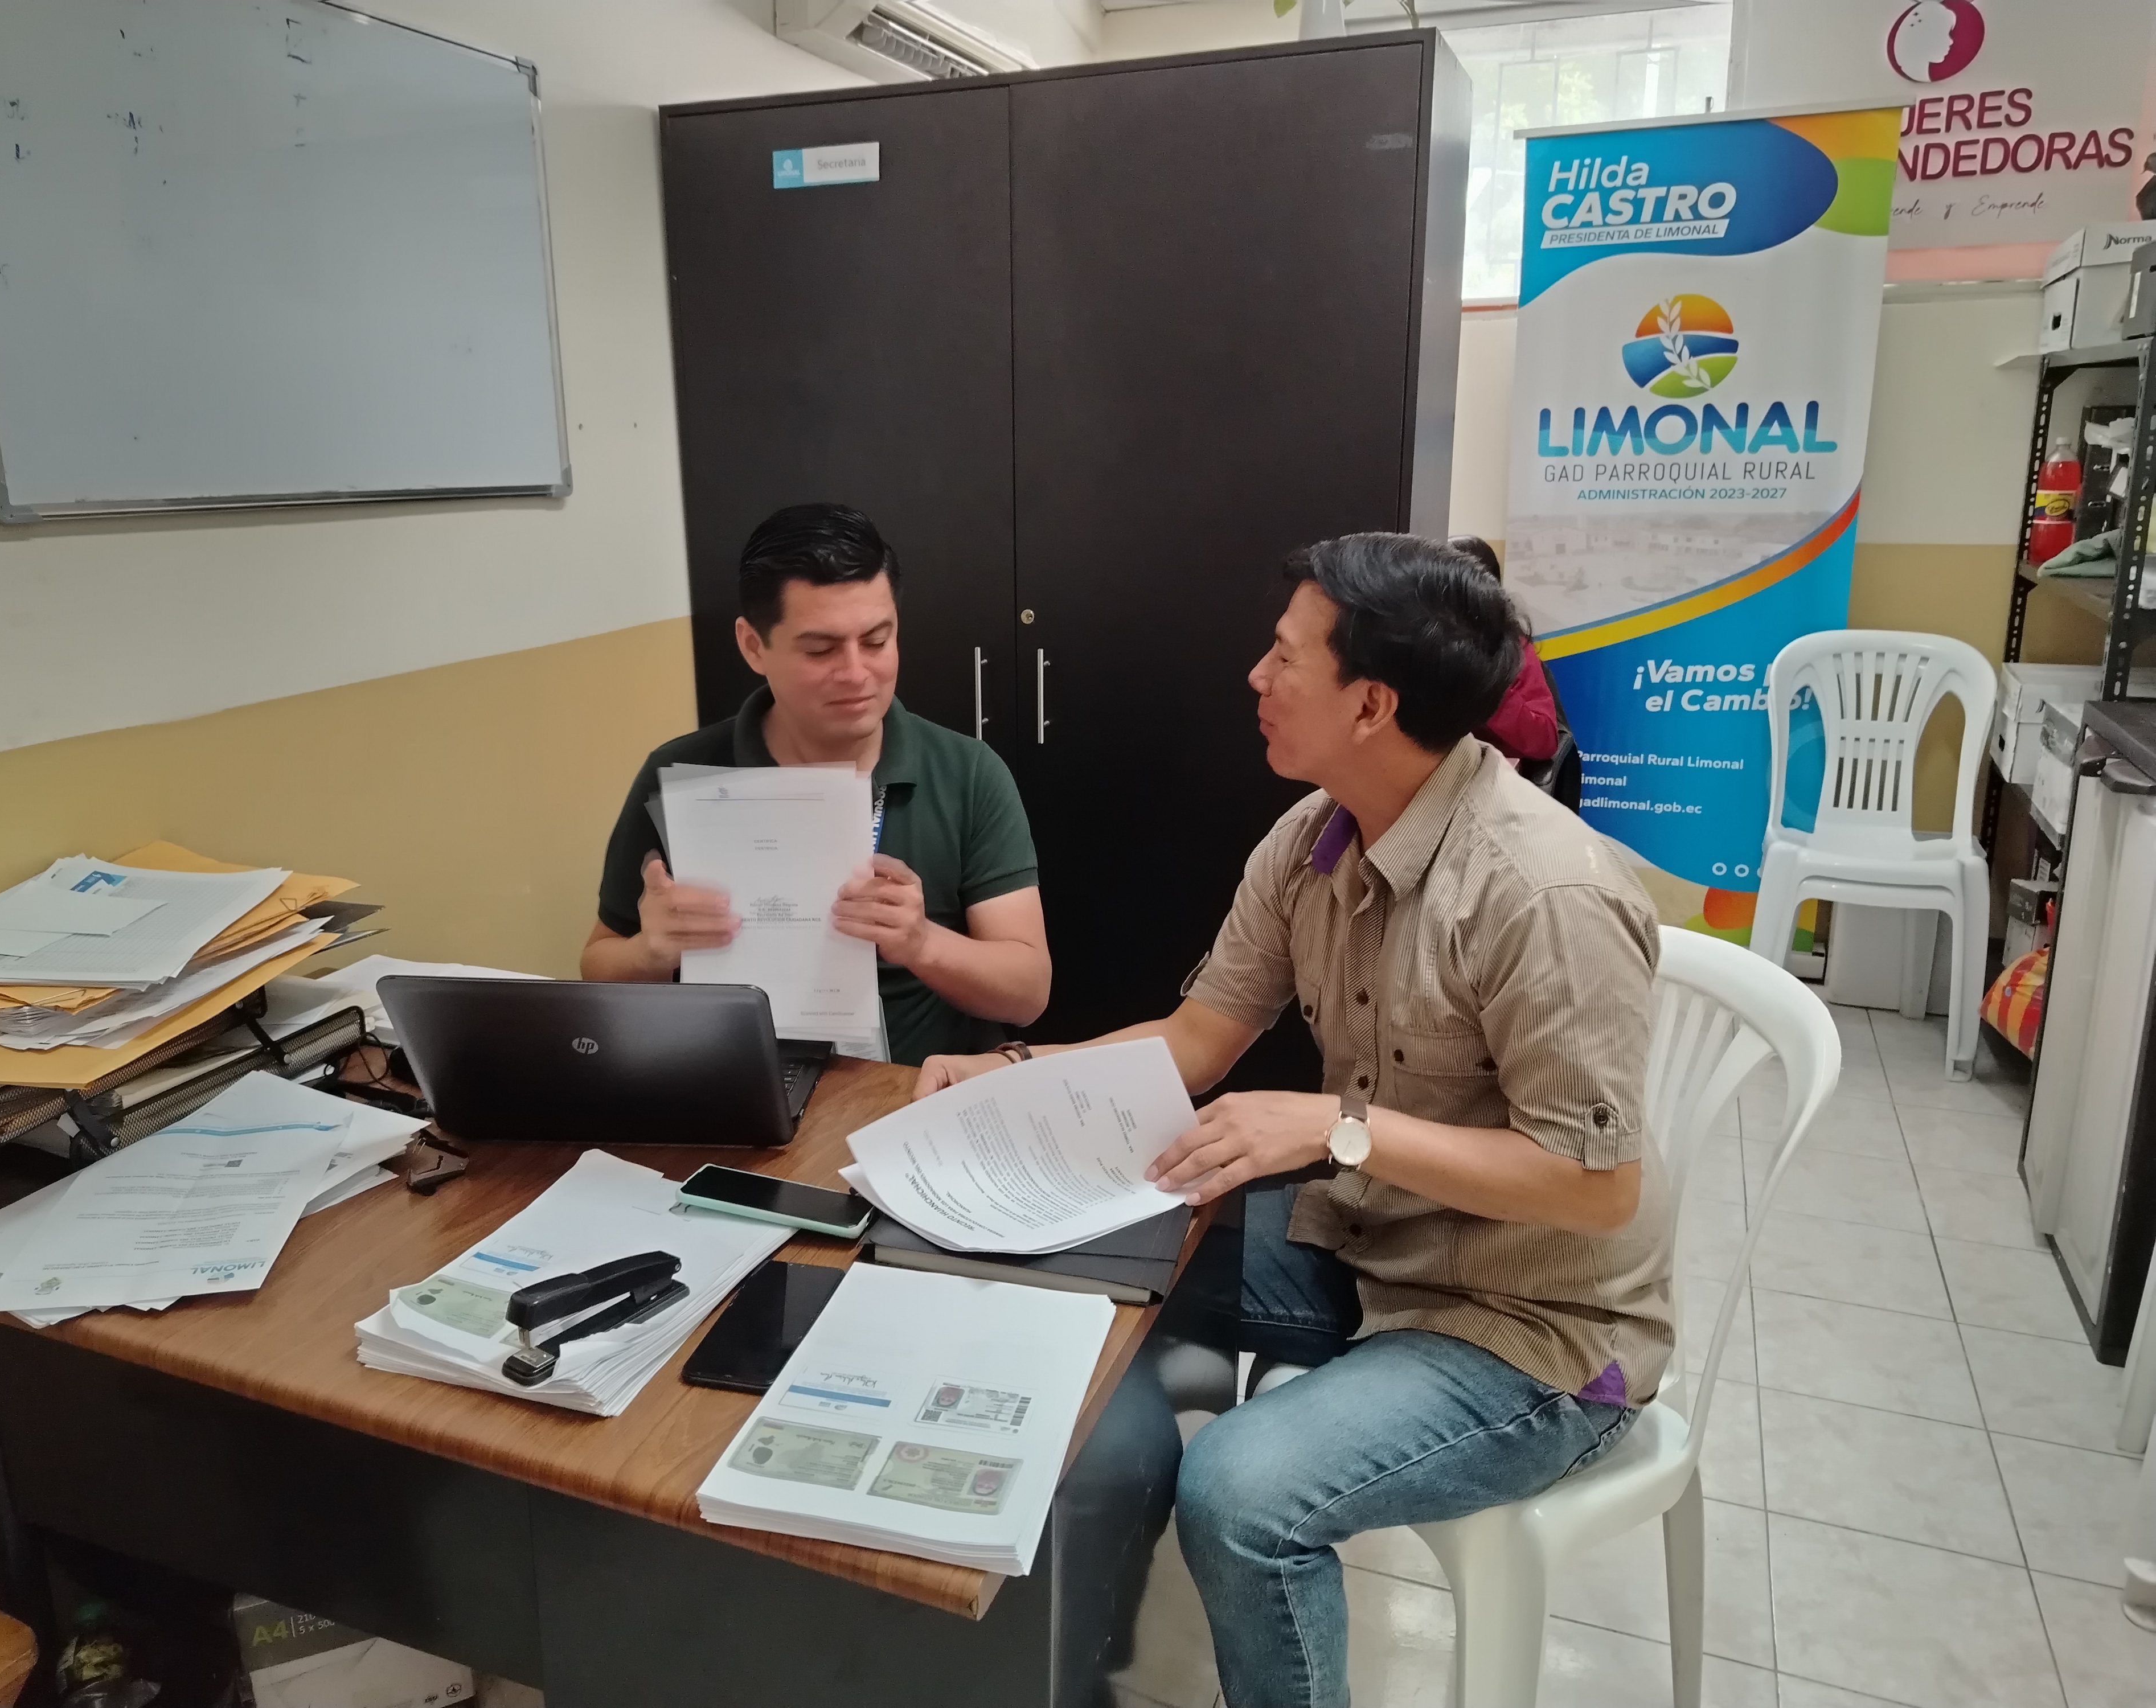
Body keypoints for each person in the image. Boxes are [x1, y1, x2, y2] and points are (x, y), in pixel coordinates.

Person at [915, 532, 1671, 1708]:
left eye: (1282, 657)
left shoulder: (1541, 893)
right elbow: (1194, 1043)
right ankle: (1057, 1648)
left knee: (1238, 1493)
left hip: (1534, 1330)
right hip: (1371, 1238)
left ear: (1371, 704)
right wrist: (1008, 1073)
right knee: (1089, 1245)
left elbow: (1596, 1187)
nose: (1254, 678)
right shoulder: (1312, 839)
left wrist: (1334, 1129)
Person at [582, 503, 1050, 1066]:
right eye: (821, 650)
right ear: (753, 646)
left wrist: (922, 943)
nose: (855, 673)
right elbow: (598, 967)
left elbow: (1028, 994)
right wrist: (650, 953)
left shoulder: (967, 773)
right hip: (736, 1079)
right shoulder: (682, 774)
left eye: (877, 641)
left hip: (910, 1093)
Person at [1449, 533, 1561, 763]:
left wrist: (1488, 685)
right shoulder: (1421, 641)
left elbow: (1545, 740)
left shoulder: (1512, 650)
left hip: (1489, 773)